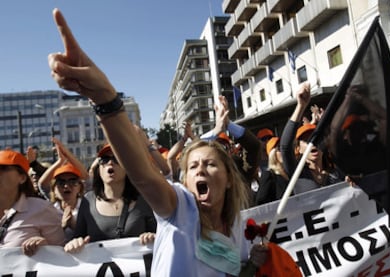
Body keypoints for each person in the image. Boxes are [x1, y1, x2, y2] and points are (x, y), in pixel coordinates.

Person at [48, 9, 267, 275]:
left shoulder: (237, 226)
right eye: (193, 165)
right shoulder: (180, 208)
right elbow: (143, 176)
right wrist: (105, 99)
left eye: (210, 164)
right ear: (184, 181)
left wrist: (254, 264)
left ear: (229, 178)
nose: (199, 169)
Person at [64, 143, 157, 252]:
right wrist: (75, 243)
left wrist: (152, 236)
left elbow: (161, 236)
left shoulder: (143, 199)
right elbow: (78, 237)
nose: (110, 162)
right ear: (99, 168)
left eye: (117, 158)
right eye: (105, 159)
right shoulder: (88, 201)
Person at [280, 82, 345, 194]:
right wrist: (301, 106)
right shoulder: (297, 173)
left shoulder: (336, 173)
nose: (312, 143)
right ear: (298, 149)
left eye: (316, 138)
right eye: (306, 140)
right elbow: (285, 147)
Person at [0, 149, 65, 256]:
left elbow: (64, 254)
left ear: (22, 178)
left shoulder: (41, 209)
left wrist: (45, 247)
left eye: (3, 169)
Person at [255, 136, 289, 205]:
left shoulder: (290, 173)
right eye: (279, 149)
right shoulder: (269, 175)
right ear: (272, 154)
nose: (283, 151)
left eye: (283, 148)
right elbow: (260, 202)